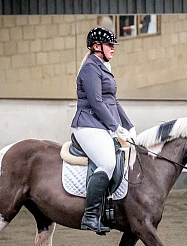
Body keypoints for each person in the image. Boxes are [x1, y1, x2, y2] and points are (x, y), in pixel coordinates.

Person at [71, 27, 136, 234]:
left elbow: (112, 102)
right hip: (88, 125)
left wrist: (128, 125)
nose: (113, 49)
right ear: (97, 47)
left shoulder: (102, 66)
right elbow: (97, 103)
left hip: (101, 126)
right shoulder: (90, 68)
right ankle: (90, 216)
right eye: (110, 45)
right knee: (107, 163)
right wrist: (115, 128)